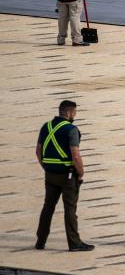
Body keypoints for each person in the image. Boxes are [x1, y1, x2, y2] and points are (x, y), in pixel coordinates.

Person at [35, 100, 93, 252]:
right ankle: (74, 243)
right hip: (67, 176)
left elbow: (38, 151)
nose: (74, 115)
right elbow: (75, 155)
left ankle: (40, 241)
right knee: (70, 210)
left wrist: (46, 167)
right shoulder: (71, 129)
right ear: (68, 113)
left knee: (48, 207)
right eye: (74, 112)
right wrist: (80, 173)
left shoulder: (45, 127)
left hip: (50, 174)